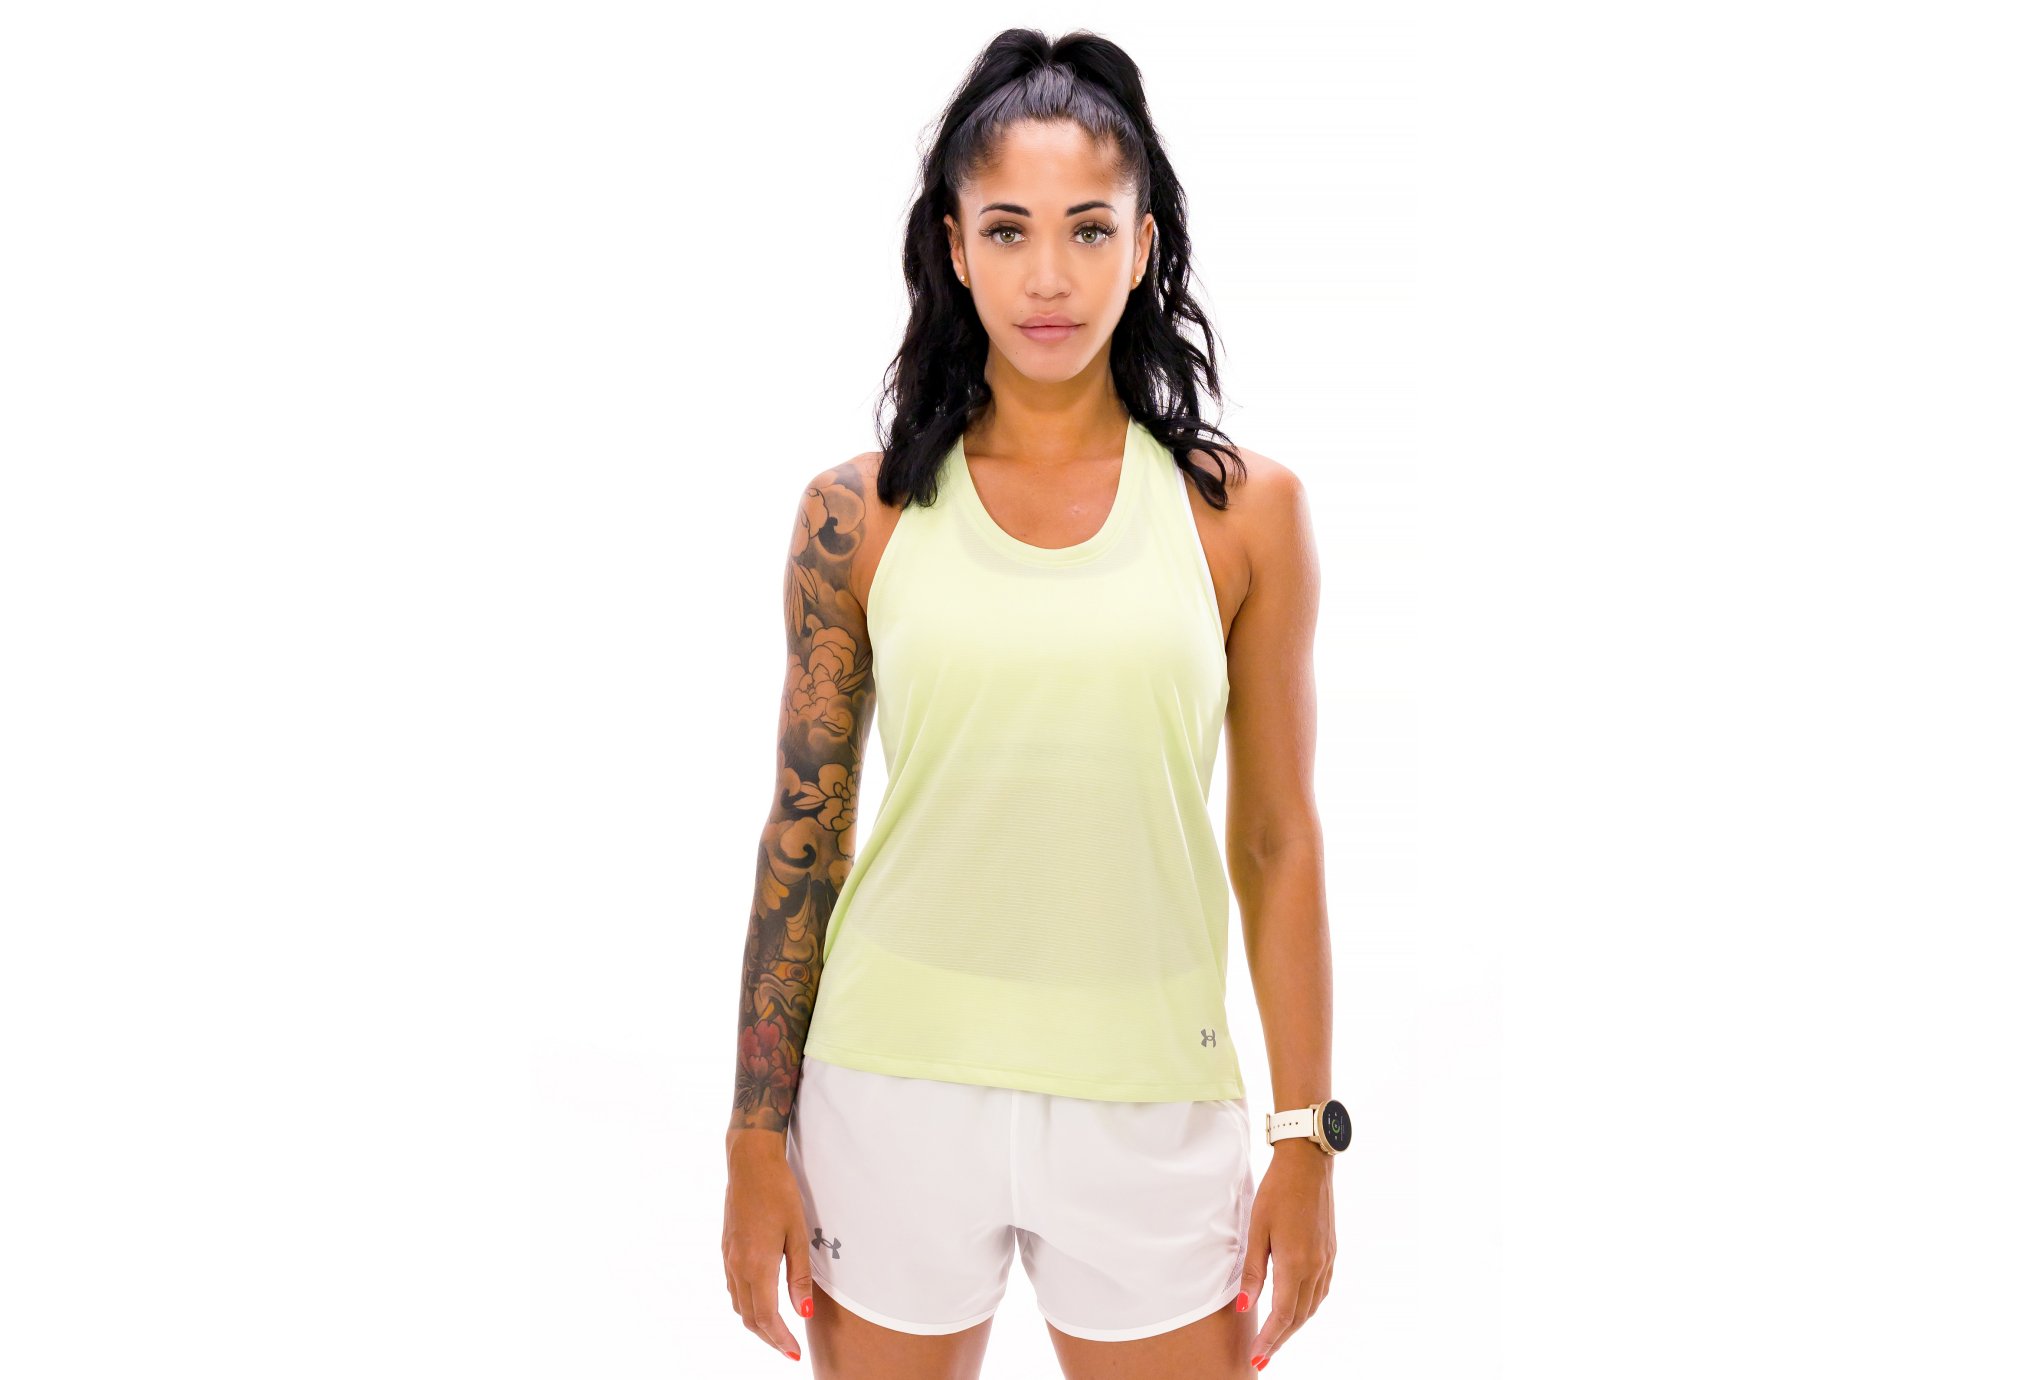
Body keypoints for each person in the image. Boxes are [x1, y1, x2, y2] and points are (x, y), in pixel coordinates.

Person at [722, 28, 1339, 1378]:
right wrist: (751, 1139)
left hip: (1150, 1100)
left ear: (1143, 245)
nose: (1047, 276)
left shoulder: (1245, 517)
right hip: (889, 1091)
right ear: (954, 247)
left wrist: (1306, 1136)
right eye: (1006, 229)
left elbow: (1276, 840)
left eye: (1087, 228)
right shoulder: (858, 516)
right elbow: (805, 837)